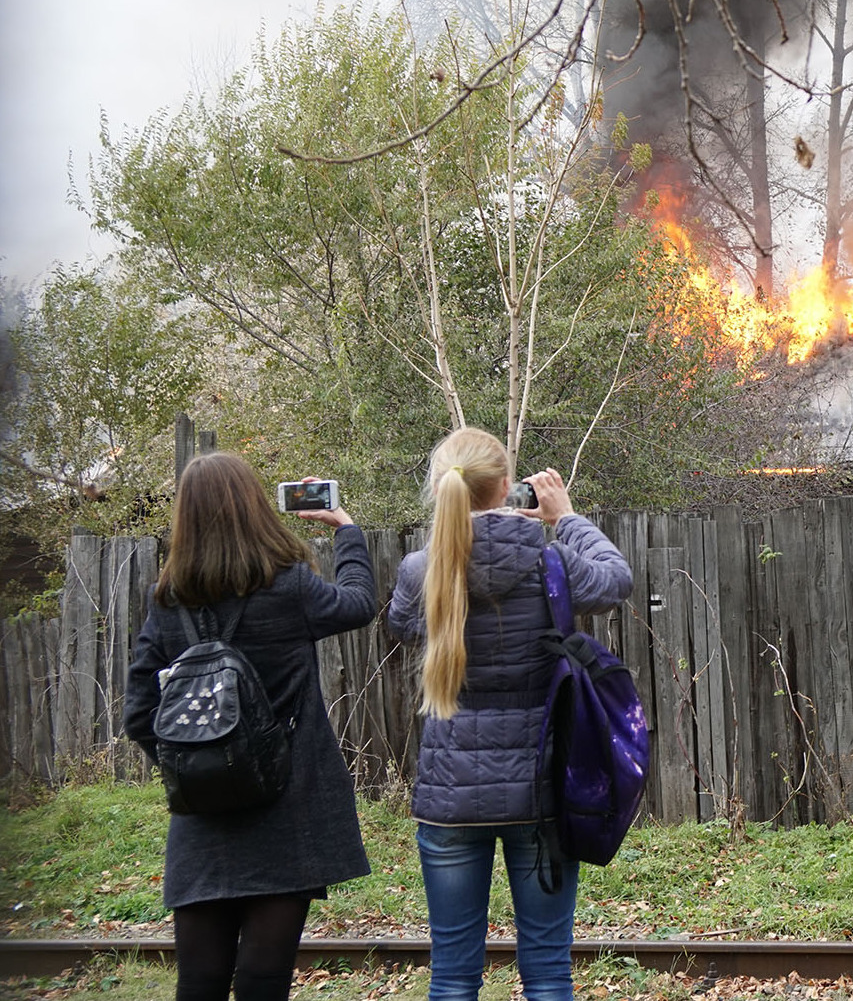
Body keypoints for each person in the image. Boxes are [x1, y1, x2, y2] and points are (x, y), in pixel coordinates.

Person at [388, 427, 632, 1001]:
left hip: (449, 799)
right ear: (507, 487)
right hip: (539, 796)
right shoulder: (551, 561)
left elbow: (402, 626)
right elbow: (616, 579)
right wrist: (564, 516)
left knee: (451, 973)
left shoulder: (420, 569)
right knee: (547, 970)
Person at [124, 453, 375, 1001]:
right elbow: (359, 603)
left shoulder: (168, 601)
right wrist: (347, 529)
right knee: (264, 983)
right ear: (256, 507)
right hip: (289, 809)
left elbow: (138, 713)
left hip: (203, 821)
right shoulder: (289, 588)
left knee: (200, 982)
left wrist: (198, 766)